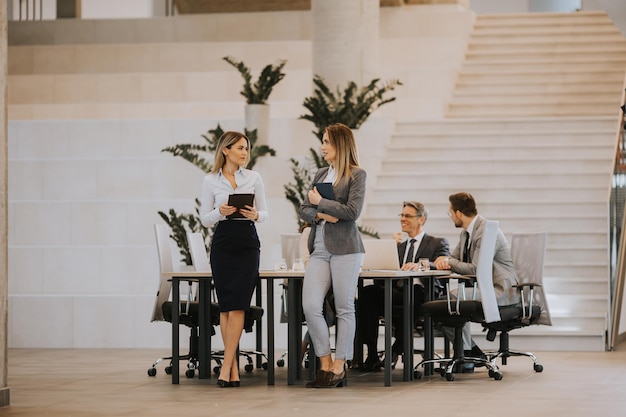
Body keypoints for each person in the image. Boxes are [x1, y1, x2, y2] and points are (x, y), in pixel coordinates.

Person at [299, 123, 366, 388]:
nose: (323, 146)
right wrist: (323, 214)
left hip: (347, 249)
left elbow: (352, 212)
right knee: (311, 306)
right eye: (323, 141)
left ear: (340, 144)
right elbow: (304, 209)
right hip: (320, 248)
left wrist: (321, 204)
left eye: (327, 142)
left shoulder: (357, 175)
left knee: (343, 307)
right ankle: (325, 363)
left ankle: (339, 366)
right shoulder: (320, 173)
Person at [199, 131, 268, 387]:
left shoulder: (254, 178)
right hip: (223, 244)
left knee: (239, 304)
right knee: (226, 306)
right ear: (225, 150)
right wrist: (220, 211)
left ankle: (226, 365)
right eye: (240, 148)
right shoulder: (210, 181)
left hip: (247, 243)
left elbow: (265, 212)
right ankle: (233, 368)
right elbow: (204, 218)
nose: (244, 153)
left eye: (246, 149)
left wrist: (255, 215)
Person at [356, 201, 450, 371]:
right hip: (398, 290)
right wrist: (391, 248)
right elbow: (385, 271)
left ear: (421, 219)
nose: (403, 219)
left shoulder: (437, 242)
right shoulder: (400, 246)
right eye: (402, 215)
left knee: (413, 291)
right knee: (367, 292)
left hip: (423, 293)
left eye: (408, 216)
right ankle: (371, 353)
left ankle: (396, 347)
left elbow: (443, 262)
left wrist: (422, 264)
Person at [433, 192, 519, 371]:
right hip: (486, 288)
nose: (450, 217)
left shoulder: (486, 231)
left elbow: (475, 269)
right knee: (444, 302)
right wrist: (441, 261)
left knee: (449, 301)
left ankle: (468, 355)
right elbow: (453, 259)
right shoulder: (467, 233)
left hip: (500, 290)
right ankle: (470, 354)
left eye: (450, 213)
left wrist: (449, 262)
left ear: (458, 213)